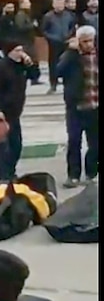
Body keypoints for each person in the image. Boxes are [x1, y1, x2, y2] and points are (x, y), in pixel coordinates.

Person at [0, 40, 39, 181]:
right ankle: (4, 176)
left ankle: (11, 171)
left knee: (16, 145)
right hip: (0, 112)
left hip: (14, 112)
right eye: (17, 50)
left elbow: (35, 75)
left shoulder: (21, 66)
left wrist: (30, 64)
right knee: (4, 147)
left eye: (21, 50)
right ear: (9, 52)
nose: (20, 53)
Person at [57, 25, 99, 188]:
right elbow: (58, 71)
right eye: (84, 41)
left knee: (95, 144)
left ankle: (91, 173)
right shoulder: (72, 57)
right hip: (76, 107)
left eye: (90, 41)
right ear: (78, 41)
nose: (88, 44)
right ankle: (73, 175)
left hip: (95, 106)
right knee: (74, 142)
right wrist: (71, 52)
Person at [43, 0, 79, 94]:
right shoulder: (48, 16)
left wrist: (69, 36)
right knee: (53, 64)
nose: (59, 6)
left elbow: (73, 27)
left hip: (67, 43)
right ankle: (53, 84)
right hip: (54, 44)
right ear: (53, 5)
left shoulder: (70, 15)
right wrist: (52, 38)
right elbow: (44, 31)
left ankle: (68, 84)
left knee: (68, 63)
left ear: (64, 4)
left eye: (61, 4)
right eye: (57, 4)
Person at [15, 0, 41, 85]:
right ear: (22, 5)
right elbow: (20, 27)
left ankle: (34, 78)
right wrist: (32, 25)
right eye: (27, 3)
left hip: (29, 40)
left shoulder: (27, 14)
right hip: (25, 41)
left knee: (33, 59)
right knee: (30, 59)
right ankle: (31, 78)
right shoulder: (20, 15)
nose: (29, 4)